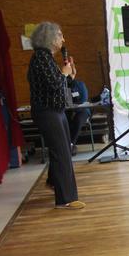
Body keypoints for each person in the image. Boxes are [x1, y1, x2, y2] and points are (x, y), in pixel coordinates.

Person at [27, 22, 85, 209]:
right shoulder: (41, 58)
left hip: (55, 111)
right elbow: (53, 84)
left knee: (63, 150)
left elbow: (57, 84)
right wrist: (64, 73)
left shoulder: (46, 58)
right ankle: (65, 199)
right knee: (61, 152)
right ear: (50, 38)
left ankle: (55, 182)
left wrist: (69, 75)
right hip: (47, 112)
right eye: (60, 35)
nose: (63, 39)